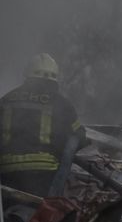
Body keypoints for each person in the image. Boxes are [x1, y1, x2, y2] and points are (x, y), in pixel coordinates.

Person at [0, 54, 86, 202]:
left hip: (7, 170)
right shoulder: (61, 103)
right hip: (43, 173)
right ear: (55, 78)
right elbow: (79, 137)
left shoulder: (6, 99)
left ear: (27, 75)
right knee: (37, 214)